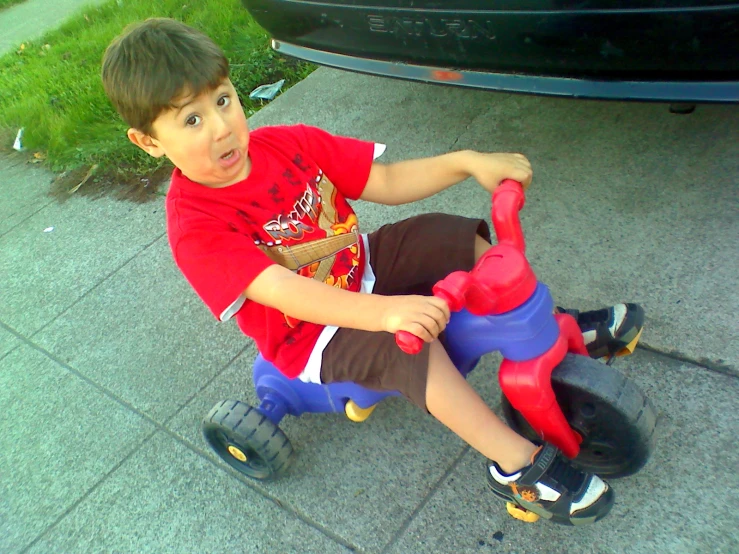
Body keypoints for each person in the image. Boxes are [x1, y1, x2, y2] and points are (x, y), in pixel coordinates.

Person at [101, 18, 644, 526]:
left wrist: (466, 162)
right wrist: (386, 313)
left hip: (361, 265)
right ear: (148, 142)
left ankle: (546, 327)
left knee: (444, 233)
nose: (221, 128)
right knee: (407, 349)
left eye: (223, 100)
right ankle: (518, 468)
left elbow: (382, 181)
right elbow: (286, 293)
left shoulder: (287, 145)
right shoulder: (196, 224)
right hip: (312, 333)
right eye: (191, 119)